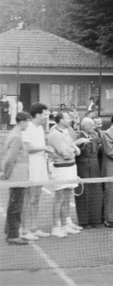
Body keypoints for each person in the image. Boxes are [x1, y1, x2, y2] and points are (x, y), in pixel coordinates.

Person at [47, 112, 82, 238]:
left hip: (71, 168)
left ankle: (65, 225)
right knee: (59, 198)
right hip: (61, 170)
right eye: (67, 118)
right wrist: (73, 150)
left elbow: (76, 151)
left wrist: (72, 150)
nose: (70, 119)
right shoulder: (55, 134)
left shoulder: (66, 132)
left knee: (67, 197)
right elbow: (66, 153)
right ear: (61, 120)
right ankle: (55, 227)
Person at [20, 103, 52, 240]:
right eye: (45, 114)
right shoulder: (28, 127)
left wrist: (45, 150)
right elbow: (28, 148)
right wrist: (44, 148)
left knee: (36, 198)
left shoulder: (40, 128)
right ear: (38, 114)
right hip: (31, 168)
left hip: (40, 168)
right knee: (29, 199)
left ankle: (33, 227)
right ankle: (24, 229)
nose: (47, 117)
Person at [2, 111, 31, 245]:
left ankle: (11, 232)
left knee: (14, 205)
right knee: (16, 206)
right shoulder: (16, 137)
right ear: (22, 121)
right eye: (27, 122)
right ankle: (13, 235)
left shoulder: (16, 134)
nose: (28, 125)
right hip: (18, 177)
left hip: (19, 176)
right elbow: (9, 158)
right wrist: (5, 174)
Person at [74, 117, 104, 229]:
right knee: (84, 196)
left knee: (96, 195)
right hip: (83, 170)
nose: (94, 127)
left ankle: (95, 219)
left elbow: (101, 149)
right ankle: (84, 221)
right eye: (91, 125)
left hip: (95, 170)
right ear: (85, 127)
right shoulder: (78, 137)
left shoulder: (95, 136)